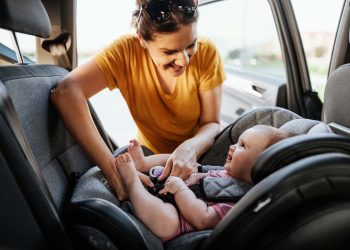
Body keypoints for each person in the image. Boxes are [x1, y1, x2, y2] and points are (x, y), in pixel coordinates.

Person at [50, 0, 226, 200]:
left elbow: (211, 123)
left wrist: (190, 147)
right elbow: (65, 93)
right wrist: (114, 174)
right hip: (149, 158)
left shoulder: (207, 52)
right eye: (169, 52)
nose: (184, 60)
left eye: (191, 45)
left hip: (198, 154)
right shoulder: (125, 52)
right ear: (142, 39)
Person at [115, 125, 292, 240]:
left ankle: (131, 181)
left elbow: (203, 218)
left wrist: (180, 190)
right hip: (170, 188)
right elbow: (198, 172)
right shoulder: (226, 173)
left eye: (242, 146)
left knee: (167, 224)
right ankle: (143, 164)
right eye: (237, 142)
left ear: (260, 167)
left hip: (180, 219)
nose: (232, 147)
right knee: (185, 161)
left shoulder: (240, 201)